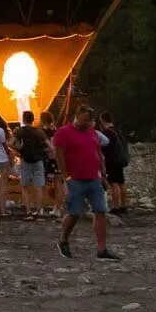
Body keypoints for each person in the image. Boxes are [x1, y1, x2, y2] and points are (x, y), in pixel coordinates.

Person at [52, 106, 117, 260]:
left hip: (94, 178)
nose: (87, 123)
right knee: (74, 212)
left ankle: (102, 249)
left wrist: (103, 174)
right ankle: (63, 239)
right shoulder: (63, 133)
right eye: (85, 120)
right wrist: (66, 176)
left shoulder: (92, 133)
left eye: (90, 121)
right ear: (78, 115)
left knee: (100, 211)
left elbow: (98, 154)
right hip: (75, 179)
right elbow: (59, 155)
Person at [13, 111, 49, 219]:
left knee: (25, 187)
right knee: (39, 187)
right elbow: (50, 147)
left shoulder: (20, 131)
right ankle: (39, 211)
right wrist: (42, 151)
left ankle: (28, 211)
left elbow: (10, 143)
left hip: (25, 161)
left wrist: (19, 149)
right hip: (38, 161)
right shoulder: (39, 132)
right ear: (33, 119)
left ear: (23, 119)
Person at [98, 113, 130, 214]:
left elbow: (105, 146)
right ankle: (124, 205)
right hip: (121, 159)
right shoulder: (118, 130)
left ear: (103, 120)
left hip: (112, 161)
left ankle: (116, 206)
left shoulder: (108, 132)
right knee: (121, 182)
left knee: (113, 183)